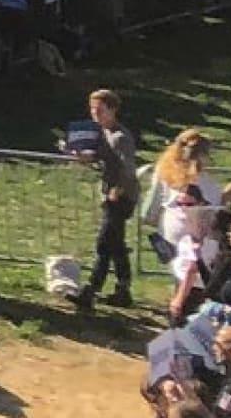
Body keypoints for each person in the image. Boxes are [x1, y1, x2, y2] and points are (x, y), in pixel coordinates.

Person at [76, 87, 143, 311]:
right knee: (115, 244)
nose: (95, 114)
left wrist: (119, 189)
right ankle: (123, 289)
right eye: (93, 109)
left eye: (100, 110)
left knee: (104, 243)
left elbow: (128, 168)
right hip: (108, 194)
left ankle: (91, 290)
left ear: (112, 110)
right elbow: (102, 159)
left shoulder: (121, 137)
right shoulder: (101, 134)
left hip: (121, 197)